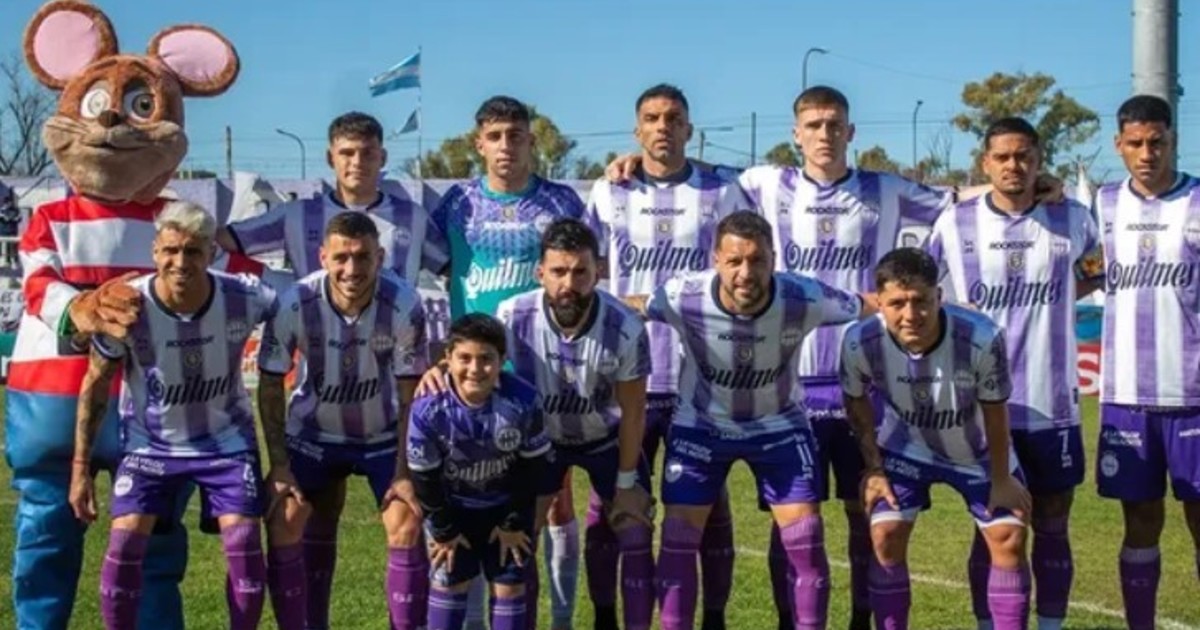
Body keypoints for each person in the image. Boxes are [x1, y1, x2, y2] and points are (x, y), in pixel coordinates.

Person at [8, 6, 250, 627]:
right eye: (97, 105)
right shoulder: (51, 219)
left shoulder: (178, 225)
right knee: (45, 534)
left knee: (153, 543)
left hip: (155, 409)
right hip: (54, 397)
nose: (112, 119)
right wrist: (82, 307)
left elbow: (239, 278)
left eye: (142, 106)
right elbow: (38, 285)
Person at [624, 210, 873, 630]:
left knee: (806, 540)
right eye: (734, 261)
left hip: (779, 427)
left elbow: (869, 304)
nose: (745, 273)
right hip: (701, 429)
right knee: (678, 542)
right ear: (716, 260)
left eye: (757, 260)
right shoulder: (683, 295)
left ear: (774, 258)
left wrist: (944, 306)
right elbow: (636, 306)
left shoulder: (804, 297)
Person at [583, 83, 752, 630]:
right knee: (611, 503)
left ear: (689, 129)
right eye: (652, 118)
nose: (663, 127)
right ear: (637, 130)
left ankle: (714, 618)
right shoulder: (608, 191)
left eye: (673, 118)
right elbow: (585, 267)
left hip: (698, 378)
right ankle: (606, 617)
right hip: (623, 375)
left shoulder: (722, 191)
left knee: (709, 503)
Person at [66, 201, 279, 630]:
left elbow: (301, 309)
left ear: (211, 253)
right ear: (155, 252)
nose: (180, 262)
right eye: (170, 251)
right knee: (125, 542)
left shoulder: (245, 296)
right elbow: (95, 383)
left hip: (226, 444)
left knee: (243, 541)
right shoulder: (128, 306)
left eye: (193, 251)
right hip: (150, 446)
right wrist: (80, 469)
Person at [926, 117, 1102, 630]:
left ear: (1039, 160)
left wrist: (1057, 301)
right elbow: (919, 291)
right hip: (980, 408)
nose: (1013, 165)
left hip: (1054, 405)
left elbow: (1095, 273)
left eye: (1024, 155)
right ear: (986, 163)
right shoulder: (954, 223)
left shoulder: (1073, 217)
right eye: (1002, 156)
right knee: (993, 528)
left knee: (1053, 521)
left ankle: (1050, 625)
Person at [431, 95, 588, 628]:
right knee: (473, 497)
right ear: (479, 143)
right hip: (473, 376)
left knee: (554, 498)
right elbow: (434, 267)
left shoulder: (561, 201)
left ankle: (561, 621)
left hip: (544, 370)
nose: (506, 146)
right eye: (495, 136)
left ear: (531, 140)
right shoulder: (455, 203)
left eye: (515, 135)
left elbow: (583, 273)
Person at [840, 247, 1033, 630]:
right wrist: (874, 468)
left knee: (1009, 538)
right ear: (879, 302)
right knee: (885, 535)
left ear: (939, 296)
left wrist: (1001, 479)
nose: (910, 315)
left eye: (921, 301)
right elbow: (855, 399)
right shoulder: (859, 340)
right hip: (906, 450)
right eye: (897, 303)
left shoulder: (982, 336)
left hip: (976, 453)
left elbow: (996, 411)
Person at [256, 212, 428, 629]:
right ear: (323, 257)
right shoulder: (295, 301)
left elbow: (411, 394)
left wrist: (404, 472)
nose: (352, 269)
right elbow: (271, 384)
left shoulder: (404, 303)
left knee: (406, 520)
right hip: (313, 436)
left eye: (363, 257)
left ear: (379, 257)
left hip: (382, 436)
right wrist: (279, 466)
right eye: (341, 258)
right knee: (286, 516)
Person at [497, 218, 656, 630]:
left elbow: (634, 411)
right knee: (517, 536)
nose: (569, 283)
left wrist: (626, 486)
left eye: (580, 271)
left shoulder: (625, 326)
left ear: (598, 271)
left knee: (635, 528)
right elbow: (479, 370)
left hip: (606, 439)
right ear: (540, 273)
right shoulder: (512, 315)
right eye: (558, 271)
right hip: (541, 443)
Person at [1093, 94, 1200, 630]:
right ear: (1119, 145)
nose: (1146, 153)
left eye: (1156, 142)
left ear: (1172, 140)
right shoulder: (1103, 204)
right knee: (1139, 521)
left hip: (1193, 395)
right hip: (1127, 396)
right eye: (1135, 143)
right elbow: (1082, 266)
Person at [408, 313, 552, 630]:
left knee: (510, 587)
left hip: (506, 509)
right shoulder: (427, 408)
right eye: (465, 358)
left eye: (486, 359)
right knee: (449, 584)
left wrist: (513, 522)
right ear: (447, 358)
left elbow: (533, 469)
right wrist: (444, 531)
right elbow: (424, 478)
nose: (475, 369)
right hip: (452, 510)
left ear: (502, 360)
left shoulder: (524, 400)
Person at [219, 111, 449, 285]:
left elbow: (452, 269)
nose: (357, 162)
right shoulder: (297, 215)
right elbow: (217, 243)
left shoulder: (413, 217)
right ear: (330, 158)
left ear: (383, 158)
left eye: (367, 153)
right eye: (347, 153)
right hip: (315, 334)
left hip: (392, 335)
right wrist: (277, 285)